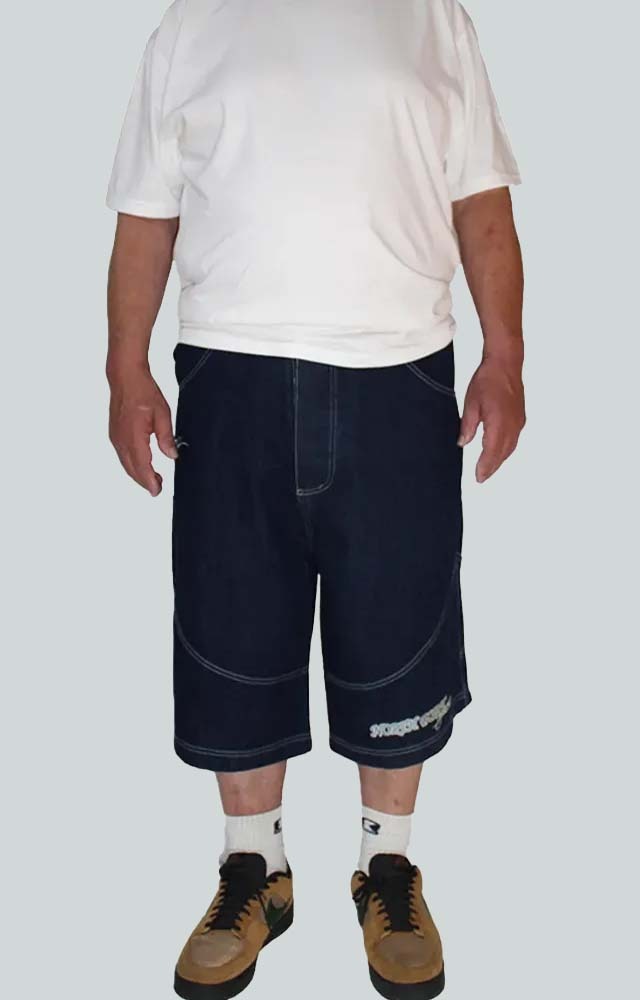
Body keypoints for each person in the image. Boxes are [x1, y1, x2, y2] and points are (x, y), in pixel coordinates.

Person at [106, 1, 525, 997]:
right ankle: (254, 867)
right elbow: (146, 217)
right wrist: (126, 368)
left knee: (398, 630)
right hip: (230, 373)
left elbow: (482, 205)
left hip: (398, 374)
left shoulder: (434, 19)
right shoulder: (192, 24)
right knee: (233, 625)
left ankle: (388, 865)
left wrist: (504, 355)